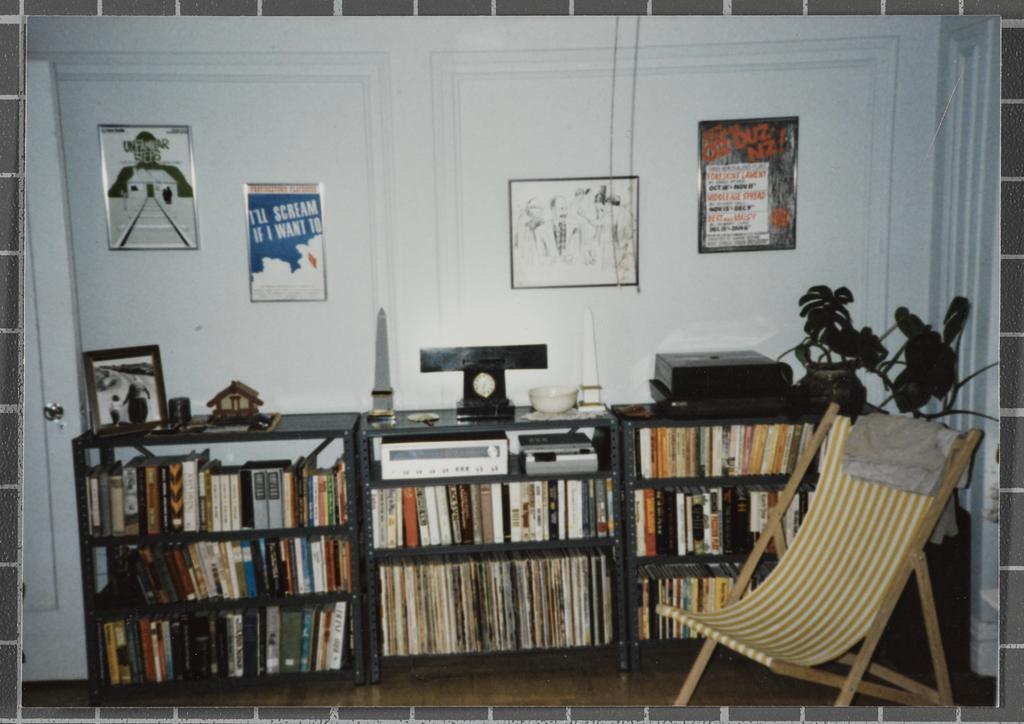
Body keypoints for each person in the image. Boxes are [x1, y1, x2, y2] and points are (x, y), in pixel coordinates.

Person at [536, 195, 583, 264]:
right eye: (561, 209)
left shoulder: (575, 228)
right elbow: (540, 259)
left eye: (566, 209)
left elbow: (577, 255)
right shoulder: (540, 230)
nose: (565, 212)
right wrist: (557, 260)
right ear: (552, 210)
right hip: (550, 272)